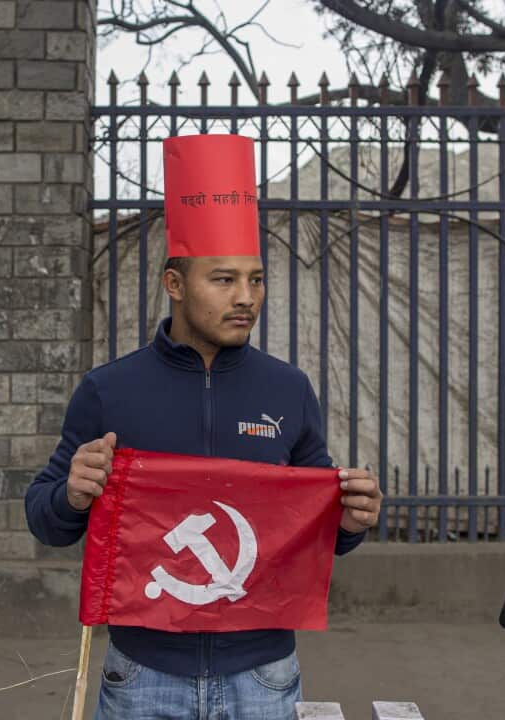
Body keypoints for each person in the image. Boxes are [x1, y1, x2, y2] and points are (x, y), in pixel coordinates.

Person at [25, 133, 382, 719]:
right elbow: (44, 519)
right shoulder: (109, 390)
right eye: (223, 280)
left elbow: (320, 532)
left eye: (256, 279)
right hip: (143, 675)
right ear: (175, 285)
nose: (246, 298)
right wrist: (71, 493)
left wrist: (351, 517)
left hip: (263, 674)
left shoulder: (287, 389)